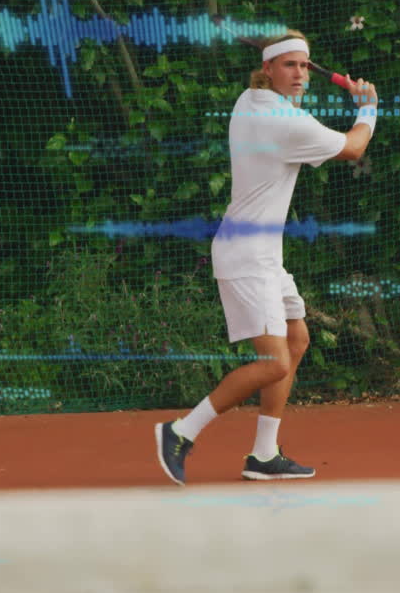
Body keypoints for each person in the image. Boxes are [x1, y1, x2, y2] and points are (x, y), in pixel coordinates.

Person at [155, 30, 378, 486]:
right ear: (269, 70)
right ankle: (179, 432)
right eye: (289, 65)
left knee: (295, 342)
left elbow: (297, 116)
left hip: (263, 255)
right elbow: (353, 147)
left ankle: (263, 454)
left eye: (304, 66)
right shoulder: (285, 123)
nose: (299, 73)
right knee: (276, 362)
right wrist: (368, 108)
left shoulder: (249, 102)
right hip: (246, 256)